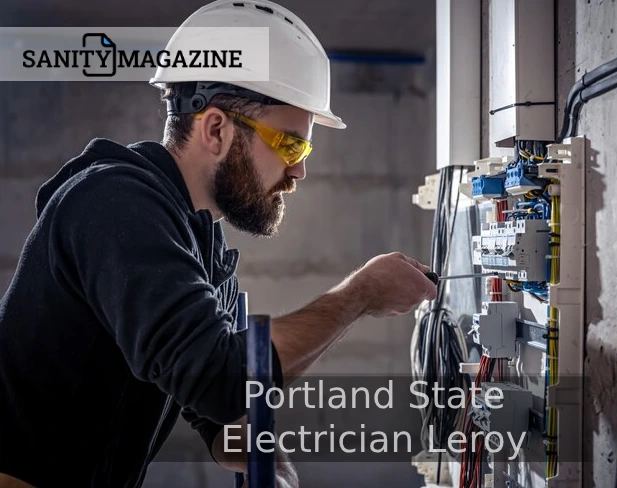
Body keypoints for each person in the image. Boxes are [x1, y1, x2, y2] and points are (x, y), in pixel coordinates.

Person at [0, 1, 437, 487]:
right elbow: (222, 377)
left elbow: (216, 403)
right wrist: (359, 295)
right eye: (290, 145)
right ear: (215, 129)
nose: (299, 171)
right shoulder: (113, 205)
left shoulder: (196, 241)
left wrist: (260, 456)